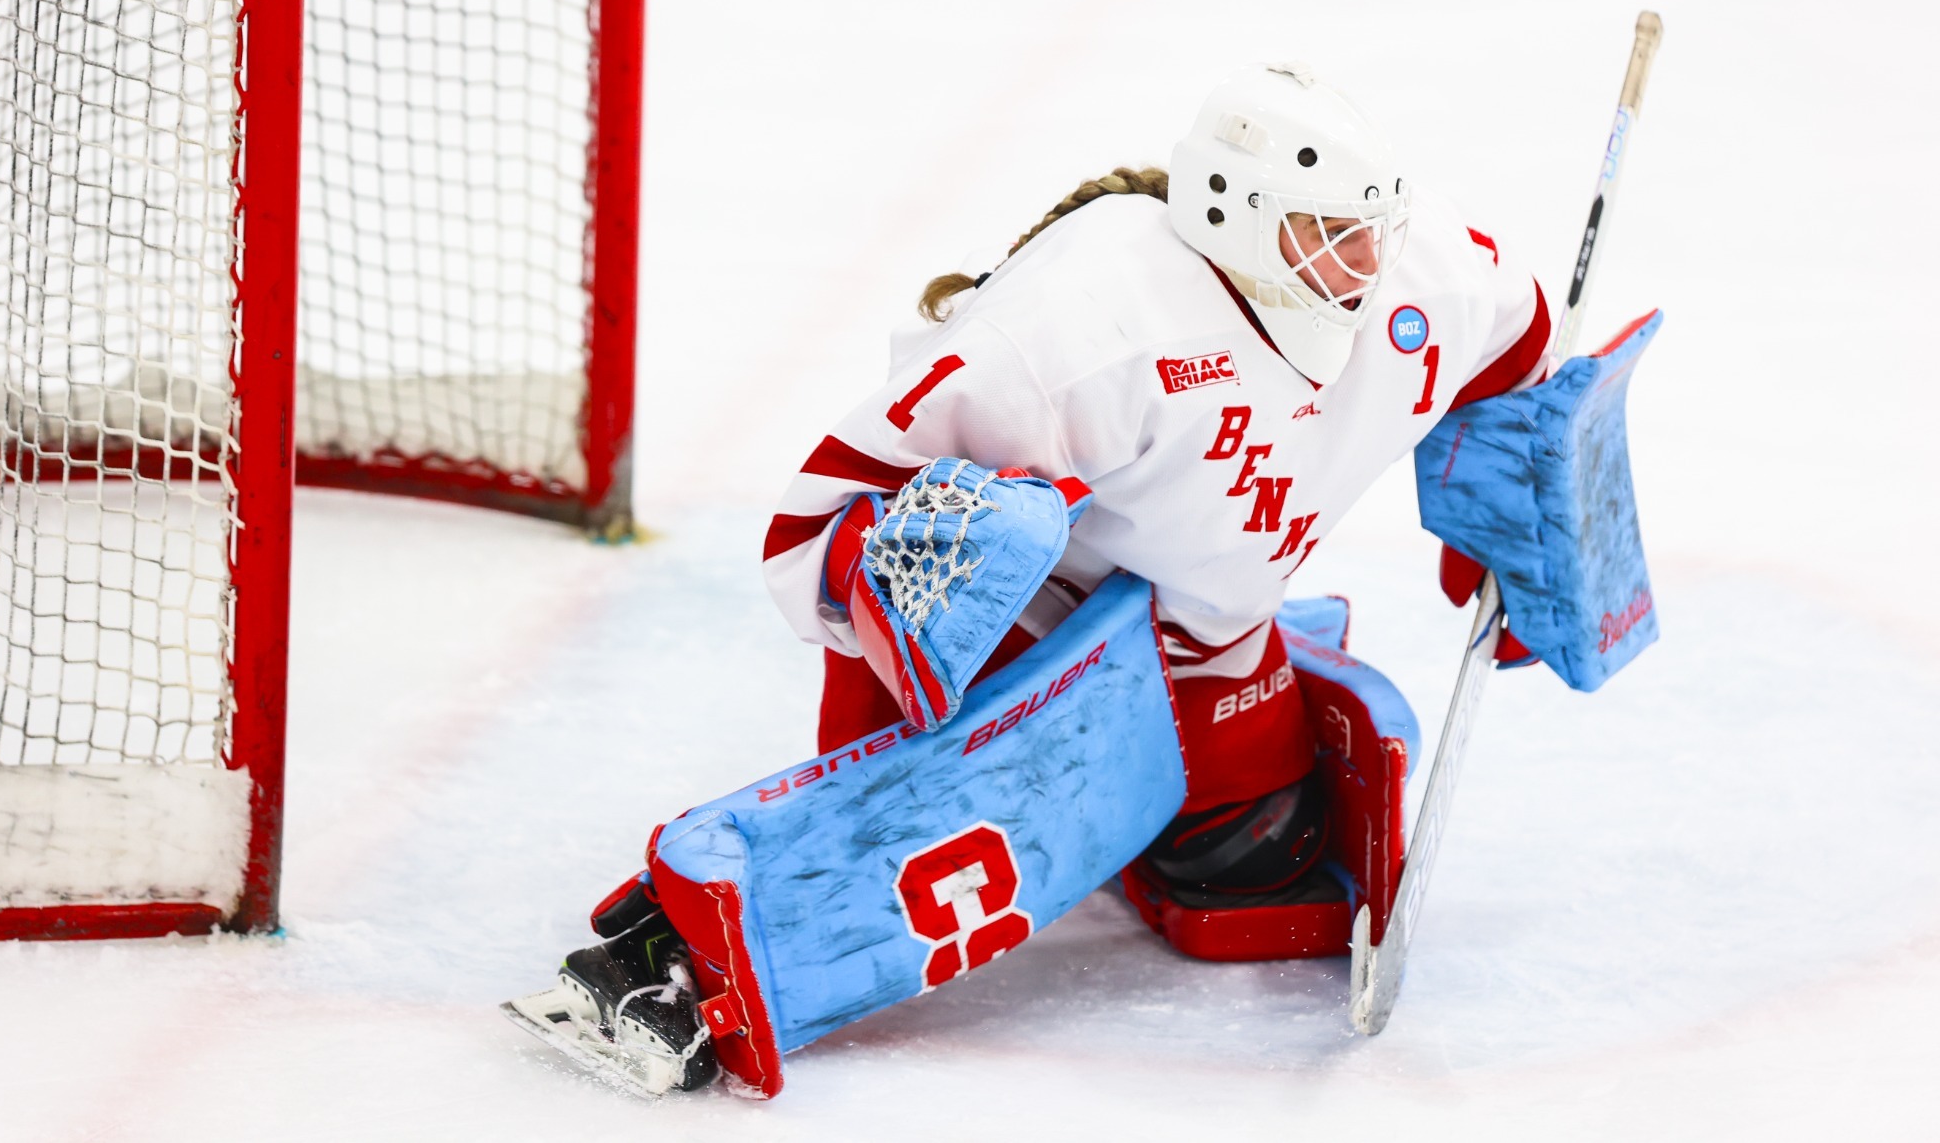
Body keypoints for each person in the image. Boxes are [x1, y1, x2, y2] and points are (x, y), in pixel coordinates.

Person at [512, 62, 1552, 1094]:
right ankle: (673, 948)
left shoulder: (1425, 279)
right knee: (907, 844)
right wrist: (911, 588)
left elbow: (1521, 337)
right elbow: (810, 523)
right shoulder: (1081, 332)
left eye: (1372, 226)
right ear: (1234, 217)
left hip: (1203, 622)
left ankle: (1107, 773)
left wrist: (1508, 513)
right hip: (1022, 614)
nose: (1365, 261)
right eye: (1327, 234)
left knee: (1252, 858)